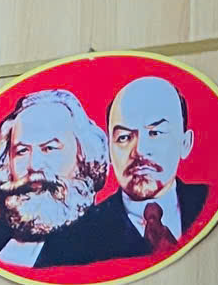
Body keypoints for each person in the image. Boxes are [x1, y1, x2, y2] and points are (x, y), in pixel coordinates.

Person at [78, 73, 210, 262]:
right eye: (124, 138)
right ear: (109, 150)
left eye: (155, 133)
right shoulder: (82, 235)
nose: (139, 150)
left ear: (185, 143)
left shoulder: (208, 202)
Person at [0, 87, 110, 268]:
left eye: (49, 148)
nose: (34, 165)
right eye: (22, 151)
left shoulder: (106, 242)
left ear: (82, 156)